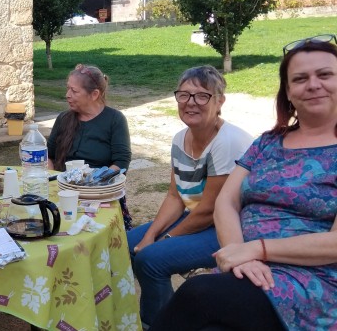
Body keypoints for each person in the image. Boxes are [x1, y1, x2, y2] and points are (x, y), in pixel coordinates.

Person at [151, 36, 337, 330]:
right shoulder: (268, 143)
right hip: (246, 266)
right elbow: (227, 201)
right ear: (288, 92)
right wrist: (239, 254)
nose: (313, 84)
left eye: (325, 75)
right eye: (300, 79)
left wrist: (257, 250)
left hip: (312, 278)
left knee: (197, 294)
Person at [126, 65, 253, 327]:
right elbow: (175, 196)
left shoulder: (228, 141)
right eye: (184, 95)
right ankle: (134, 313)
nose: (190, 103)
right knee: (124, 245)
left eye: (202, 95)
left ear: (220, 101)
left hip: (230, 229)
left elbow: (209, 211)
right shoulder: (179, 139)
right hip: (198, 218)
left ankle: (161, 323)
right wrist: (150, 235)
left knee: (151, 259)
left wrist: (164, 239)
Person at [46, 64, 133, 228]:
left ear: (94, 94)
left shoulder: (115, 120)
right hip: (64, 192)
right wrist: (52, 180)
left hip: (100, 195)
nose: (67, 95)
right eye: (68, 89)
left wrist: (93, 185)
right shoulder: (64, 118)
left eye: (74, 91)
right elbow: (48, 155)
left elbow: (121, 162)